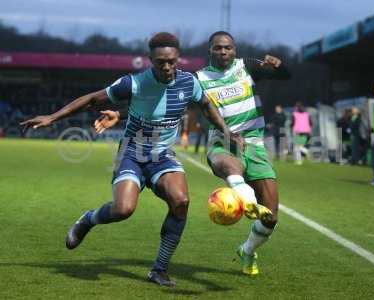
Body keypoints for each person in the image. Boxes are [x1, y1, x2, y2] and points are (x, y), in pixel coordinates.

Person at [20, 32, 243, 287]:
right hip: (132, 153)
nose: (167, 67)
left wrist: (225, 131)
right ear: (150, 60)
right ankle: (88, 220)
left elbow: (206, 105)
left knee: (181, 201)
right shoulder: (133, 83)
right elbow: (93, 99)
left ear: (177, 59)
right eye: (161, 62)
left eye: (172, 61)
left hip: (163, 156)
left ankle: (159, 269)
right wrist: (51, 118)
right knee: (123, 209)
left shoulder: (188, 82)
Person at [95, 31, 291, 276]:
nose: (223, 52)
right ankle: (246, 198)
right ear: (209, 50)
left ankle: (248, 250)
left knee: (270, 218)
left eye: (228, 48)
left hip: (255, 143)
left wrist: (279, 65)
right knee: (230, 166)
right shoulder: (197, 78)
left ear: (235, 50)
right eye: (218, 48)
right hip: (222, 140)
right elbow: (160, 103)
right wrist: (120, 115)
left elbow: (285, 76)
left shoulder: (247, 68)